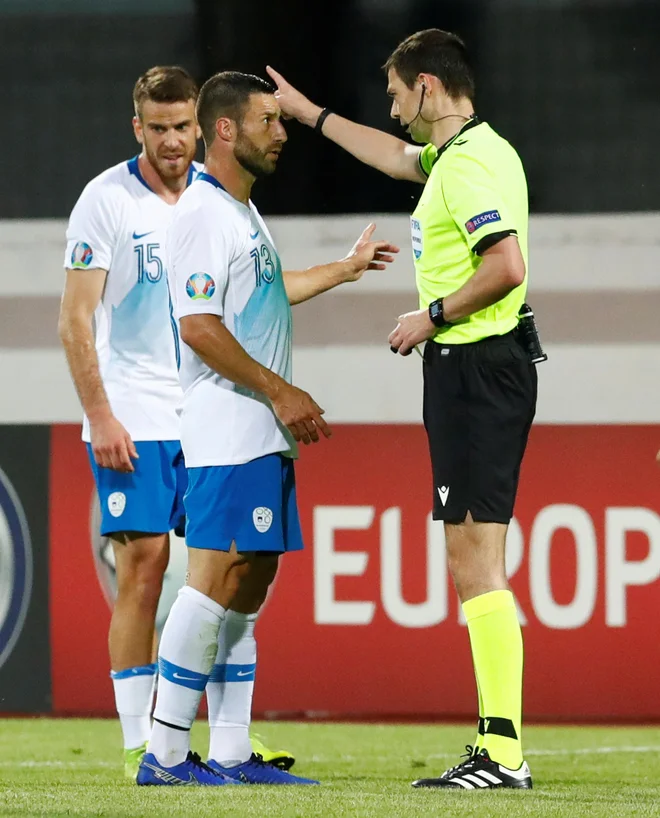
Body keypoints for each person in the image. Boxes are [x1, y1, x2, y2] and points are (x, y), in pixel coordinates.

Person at [267, 28, 537, 791]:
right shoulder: (464, 156)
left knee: (477, 562)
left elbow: (506, 266)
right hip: (474, 371)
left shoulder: (473, 162)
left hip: (478, 368)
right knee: (473, 560)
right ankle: (497, 744)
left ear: (427, 85)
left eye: (394, 93)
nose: (391, 111)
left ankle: (504, 753)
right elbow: (389, 158)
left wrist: (433, 316)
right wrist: (311, 114)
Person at [136, 70, 398, 787]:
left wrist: (342, 271)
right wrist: (280, 390)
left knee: (252, 582)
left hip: (259, 432)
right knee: (214, 581)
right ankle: (162, 756)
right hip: (228, 425)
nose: (281, 134)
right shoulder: (201, 213)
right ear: (226, 129)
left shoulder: (241, 214)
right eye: (269, 121)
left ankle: (228, 751)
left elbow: (266, 292)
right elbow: (198, 325)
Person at [59, 65, 290, 781]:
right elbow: (75, 318)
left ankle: (225, 745)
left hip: (203, 412)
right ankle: (144, 742)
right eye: (156, 129)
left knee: (225, 572)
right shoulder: (106, 200)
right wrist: (99, 413)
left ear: (201, 125)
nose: (170, 141)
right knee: (146, 569)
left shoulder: (218, 201)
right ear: (137, 128)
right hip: (135, 410)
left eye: (181, 127)